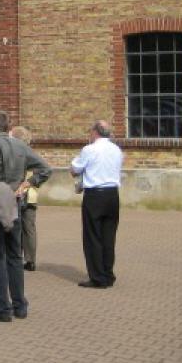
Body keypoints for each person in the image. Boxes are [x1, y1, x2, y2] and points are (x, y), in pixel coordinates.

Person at [0, 109, 51, 322]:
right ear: (8, 127)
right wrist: (27, 184)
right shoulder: (20, 145)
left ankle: (2, 308)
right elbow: (45, 169)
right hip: (16, 205)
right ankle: (19, 305)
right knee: (15, 256)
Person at [70, 120, 123, 289]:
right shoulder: (116, 149)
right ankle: (108, 274)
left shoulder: (89, 149)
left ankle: (97, 277)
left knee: (92, 236)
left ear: (95, 132)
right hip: (112, 195)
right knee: (109, 236)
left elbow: (75, 169)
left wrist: (75, 167)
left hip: (95, 195)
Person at [10, 126, 40, 271]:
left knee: (20, 227)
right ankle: (30, 260)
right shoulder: (32, 154)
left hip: (22, 193)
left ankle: (18, 256)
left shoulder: (20, 154)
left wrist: (27, 183)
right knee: (29, 228)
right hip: (31, 194)